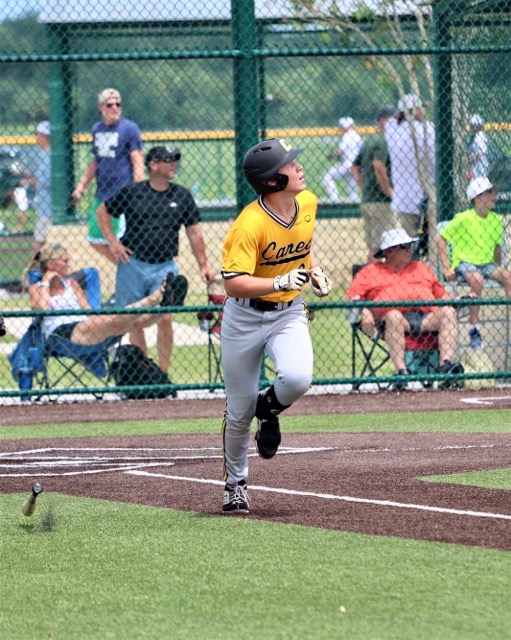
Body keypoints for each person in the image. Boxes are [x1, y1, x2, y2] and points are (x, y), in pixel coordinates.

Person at [220, 138, 332, 514]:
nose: (298, 167)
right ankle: (235, 486)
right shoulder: (249, 224)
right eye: (289, 164)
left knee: (298, 378)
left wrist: (312, 271)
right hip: (244, 316)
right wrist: (277, 282)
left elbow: (301, 244)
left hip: (288, 311)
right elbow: (233, 282)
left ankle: (267, 410)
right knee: (237, 412)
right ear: (272, 181)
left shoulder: (309, 203)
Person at [96, 146, 216, 373]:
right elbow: (103, 212)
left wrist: (203, 266)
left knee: (165, 318)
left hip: (164, 265)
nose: (174, 165)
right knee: (132, 319)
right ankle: (143, 372)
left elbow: (194, 233)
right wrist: (113, 243)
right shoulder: (133, 192)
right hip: (133, 264)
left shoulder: (181, 195)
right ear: (153, 165)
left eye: (175, 161)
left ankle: (161, 373)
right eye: (168, 160)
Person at [346, 228, 462, 385]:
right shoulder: (371, 271)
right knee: (393, 315)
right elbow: (352, 297)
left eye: (410, 245)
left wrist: (458, 299)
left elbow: (441, 295)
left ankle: (445, 366)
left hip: (427, 318)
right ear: (388, 252)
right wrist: (365, 310)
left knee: (448, 311)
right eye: (404, 246)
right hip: (394, 322)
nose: (409, 250)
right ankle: (401, 372)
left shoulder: (421, 267)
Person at [28, 243, 173, 349]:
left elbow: (88, 311)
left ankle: (165, 308)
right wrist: (46, 281)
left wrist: (100, 319)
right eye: (65, 261)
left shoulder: (71, 283)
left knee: (131, 323)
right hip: (60, 336)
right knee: (115, 322)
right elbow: (43, 308)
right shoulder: (37, 288)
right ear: (51, 264)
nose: (69, 265)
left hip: (86, 329)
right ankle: (153, 299)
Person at [437, 177, 511, 350]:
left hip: (487, 263)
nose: (494, 196)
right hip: (465, 262)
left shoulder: (495, 219)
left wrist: (499, 269)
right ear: (477, 198)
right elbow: (440, 239)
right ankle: (474, 329)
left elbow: (497, 249)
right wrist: (447, 268)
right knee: (477, 279)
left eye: (493, 192)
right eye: (489, 193)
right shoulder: (463, 218)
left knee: (508, 276)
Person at [71, 88, 144, 263]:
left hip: (122, 194)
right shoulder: (97, 129)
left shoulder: (129, 128)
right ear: (101, 107)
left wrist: (138, 189)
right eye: (110, 104)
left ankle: (130, 272)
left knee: (121, 241)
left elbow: (137, 160)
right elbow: (95, 162)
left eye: (118, 104)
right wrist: (81, 187)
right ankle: (125, 269)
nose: (114, 108)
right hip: (103, 194)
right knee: (95, 240)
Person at [384, 94, 435, 239]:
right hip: (425, 195)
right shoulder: (426, 129)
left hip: (402, 198)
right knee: (431, 239)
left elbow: (393, 121)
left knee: (410, 240)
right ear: (415, 110)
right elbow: (435, 161)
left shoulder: (391, 129)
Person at [351, 105, 397, 262]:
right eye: (393, 119)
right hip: (381, 202)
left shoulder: (370, 139)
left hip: (368, 199)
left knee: (374, 247)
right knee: (382, 248)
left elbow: (354, 167)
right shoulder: (384, 140)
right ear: (383, 120)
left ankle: (371, 281)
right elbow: (378, 165)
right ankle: (374, 282)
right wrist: (389, 191)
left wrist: (363, 186)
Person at [322, 116, 363, 203]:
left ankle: (335, 199)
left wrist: (332, 155)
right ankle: (354, 203)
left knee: (327, 177)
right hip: (356, 165)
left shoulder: (347, 135)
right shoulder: (357, 136)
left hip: (347, 164)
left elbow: (340, 150)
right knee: (351, 185)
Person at [32, 121, 53, 252]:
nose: (36, 138)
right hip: (44, 207)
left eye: (38, 135)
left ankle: (36, 271)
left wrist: (36, 182)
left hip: (48, 208)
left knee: (39, 244)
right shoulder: (45, 154)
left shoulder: (51, 155)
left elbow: (50, 181)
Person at [467, 114, 489, 180]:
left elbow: (481, 153)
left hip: (481, 164)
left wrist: (472, 159)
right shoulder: (474, 136)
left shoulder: (480, 136)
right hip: (475, 165)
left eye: (473, 125)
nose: (472, 127)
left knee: (480, 181)